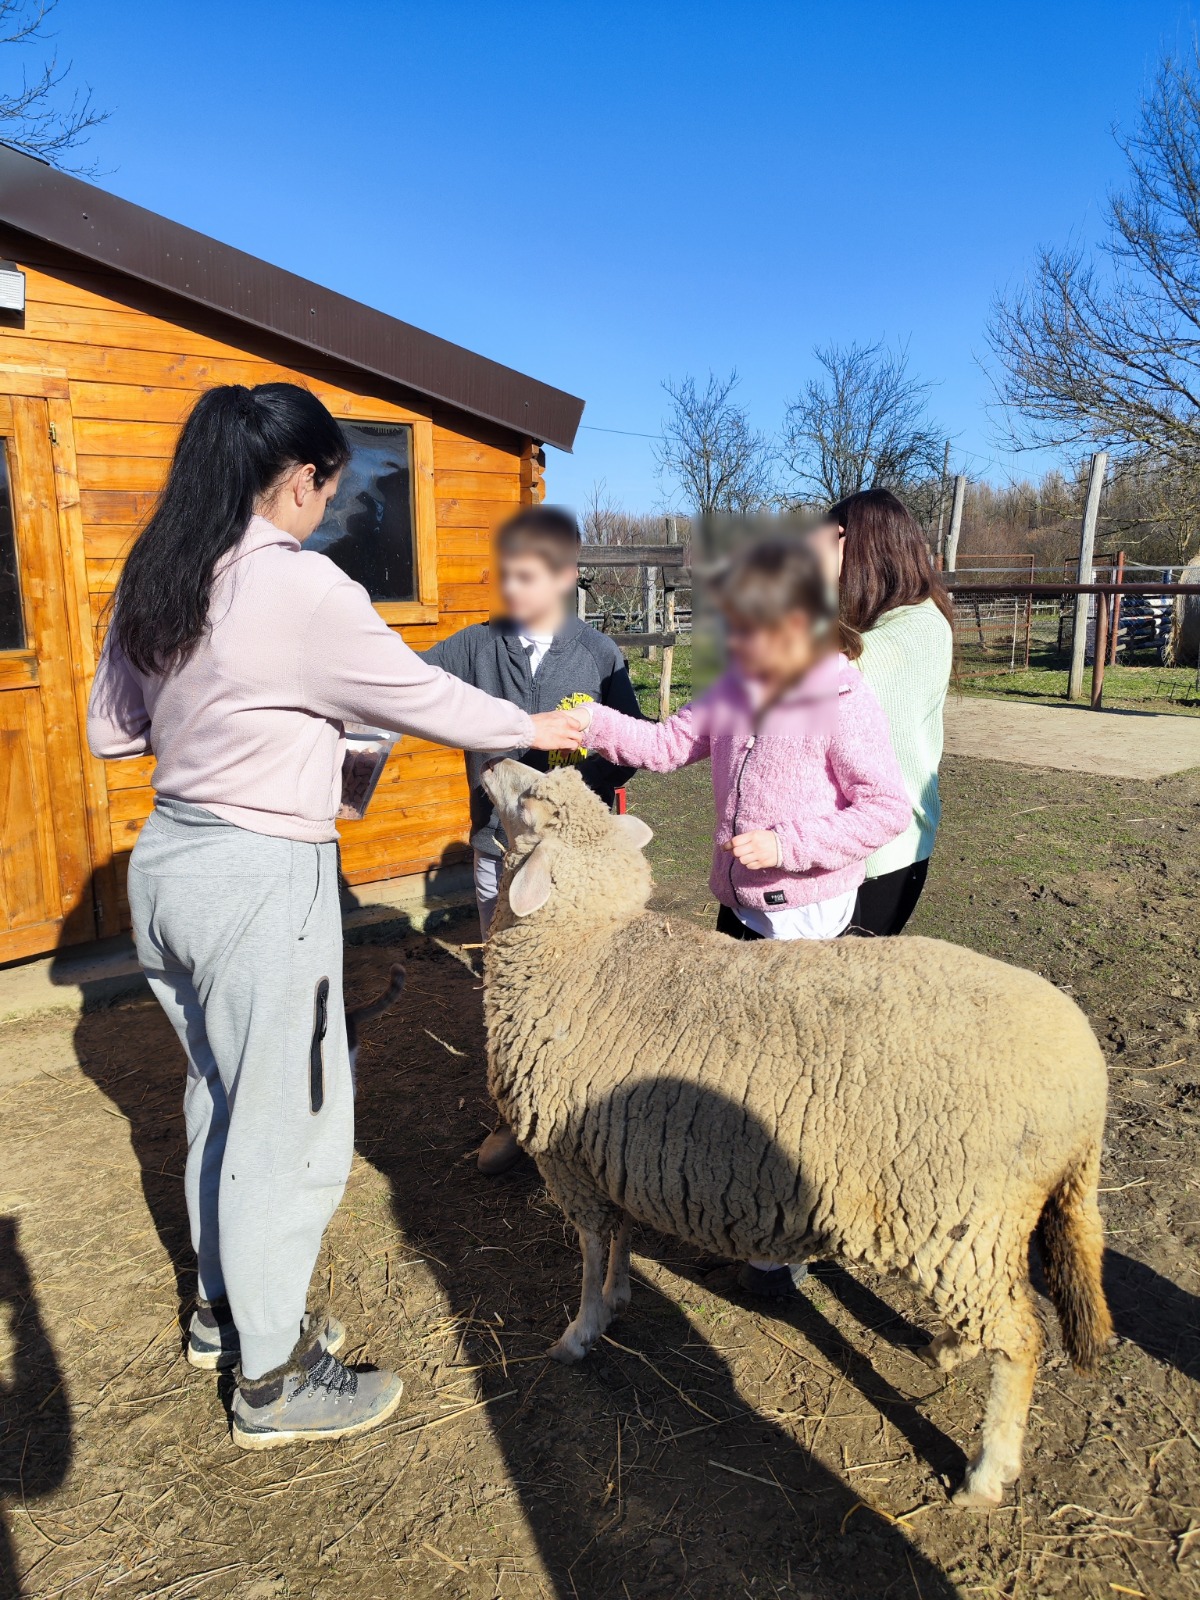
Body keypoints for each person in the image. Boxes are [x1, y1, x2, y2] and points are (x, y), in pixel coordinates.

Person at [87, 383, 583, 1449]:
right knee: (288, 1118)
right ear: (303, 477)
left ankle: (226, 1313)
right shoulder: (297, 583)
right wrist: (535, 724)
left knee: (220, 1093)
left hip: (170, 862)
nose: (328, 512)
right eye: (330, 490)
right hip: (260, 873)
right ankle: (272, 1379)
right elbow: (418, 695)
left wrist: (225, 717)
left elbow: (111, 731)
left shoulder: (162, 567)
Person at [564, 536, 910, 1297]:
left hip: (803, 917)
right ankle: (755, 1212)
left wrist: (787, 845)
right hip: (743, 911)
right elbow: (664, 744)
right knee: (744, 1068)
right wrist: (589, 721)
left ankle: (785, 1247)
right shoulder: (736, 686)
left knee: (790, 1079)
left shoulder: (839, 698)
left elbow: (886, 807)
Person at [423, 503, 643, 1174]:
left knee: (584, 981)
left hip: (574, 866)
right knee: (510, 985)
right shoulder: (472, 648)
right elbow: (406, 689)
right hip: (500, 851)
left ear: (566, 576)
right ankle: (512, 1114)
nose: (511, 590)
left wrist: (576, 788)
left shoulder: (599, 655)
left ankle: (588, 1106)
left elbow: (629, 748)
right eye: (505, 576)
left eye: (527, 577)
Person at [811, 488, 955, 938]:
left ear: (859, 550)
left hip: (882, 854)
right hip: (848, 843)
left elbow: (817, 675)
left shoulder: (919, 625)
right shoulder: (875, 621)